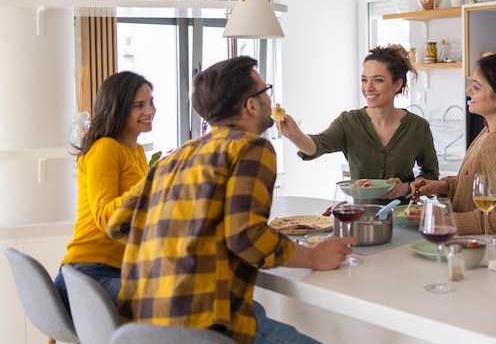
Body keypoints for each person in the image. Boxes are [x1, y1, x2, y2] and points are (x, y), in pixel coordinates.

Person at [107, 56, 352, 344]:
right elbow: (246, 237)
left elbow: (118, 224)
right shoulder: (251, 147)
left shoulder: (175, 158)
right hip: (204, 326)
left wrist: (183, 245)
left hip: (143, 325)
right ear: (250, 104)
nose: (269, 99)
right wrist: (313, 256)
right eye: (265, 91)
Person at [278, 44, 439, 202]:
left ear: (397, 84)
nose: (368, 88)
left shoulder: (418, 127)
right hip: (360, 220)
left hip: (403, 217)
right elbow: (316, 146)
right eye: (364, 80)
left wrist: (406, 188)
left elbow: (430, 174)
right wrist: (295, 135)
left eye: (378, 80)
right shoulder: (348, 122)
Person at [54, 71, 155, 311]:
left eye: (151, 102)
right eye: (139, 105)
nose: (150, 111)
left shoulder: (137, 152)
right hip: (89, 273)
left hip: (118, 270)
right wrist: (152, 182)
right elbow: (106, 217)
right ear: (118, 109)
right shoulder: (105, 148)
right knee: (179, 304)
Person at [409, 53, 496, 235]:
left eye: (477, 87)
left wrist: (447, 220)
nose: (468, 90)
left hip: (485, 252)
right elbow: (483, 186)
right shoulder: (490, 131)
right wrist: (443, 186)